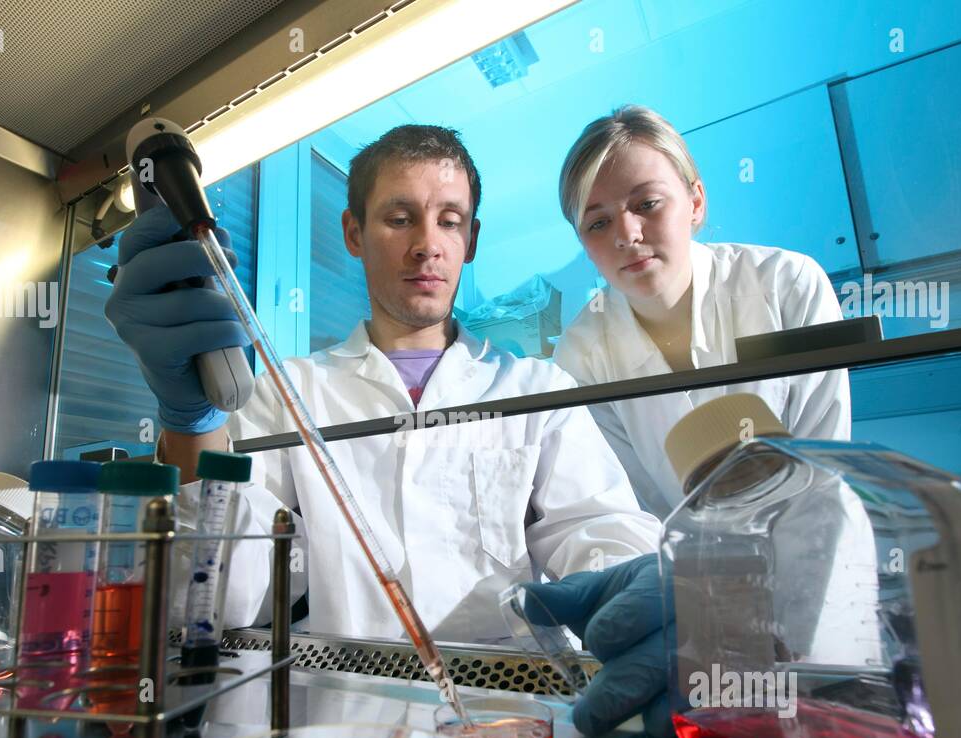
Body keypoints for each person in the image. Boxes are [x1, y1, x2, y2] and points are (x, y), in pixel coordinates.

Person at [105, 124, 661, 645]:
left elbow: (600, 534)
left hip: (507, 714)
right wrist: (192, 427)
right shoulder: (286, 391)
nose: (427, 244)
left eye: (449, 220)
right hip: (345, 712)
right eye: (399, 218)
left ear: (471, 239)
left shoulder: (537, 392)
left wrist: (638, 603)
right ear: (353, 232)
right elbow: (220, 594)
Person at [552, 105, 852, 520]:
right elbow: (630, 512)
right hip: (684, 569)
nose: (627, 235)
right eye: (598, 224)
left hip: (813, 543)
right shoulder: (579, 356)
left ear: (695, 202)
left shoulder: (786, 284)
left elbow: (824, 468)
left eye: (648, 203)